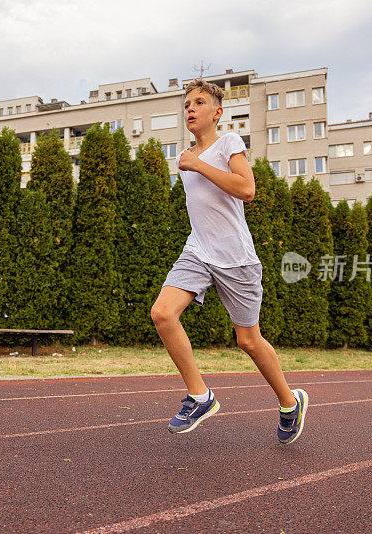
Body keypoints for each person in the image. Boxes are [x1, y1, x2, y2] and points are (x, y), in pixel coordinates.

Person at [150, 78, 308, 443]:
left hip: (235, 258)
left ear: (217, 113)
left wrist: (199, 165)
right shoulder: (184, 157)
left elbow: (247, 189)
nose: (190, 108)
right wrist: (191, 162)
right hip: (198, 251)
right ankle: (200, 396)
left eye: (200, 102)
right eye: (187, 102)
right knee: (162, 313)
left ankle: (289, 403)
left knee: (248, 340)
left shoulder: (228, 144)